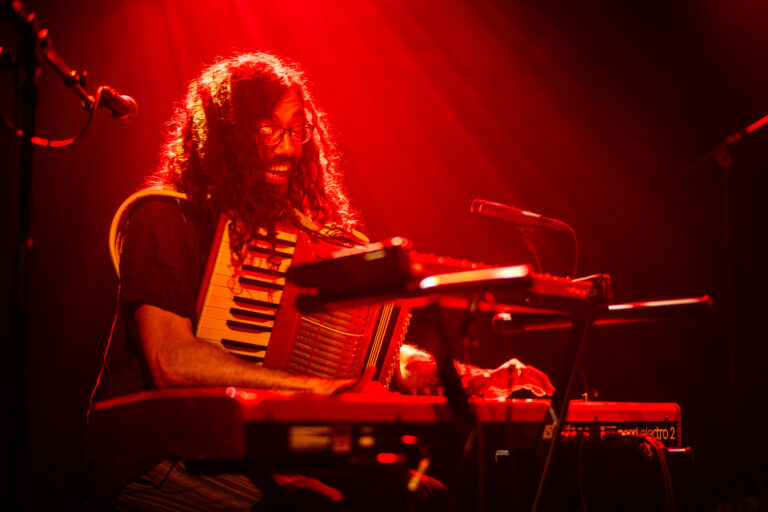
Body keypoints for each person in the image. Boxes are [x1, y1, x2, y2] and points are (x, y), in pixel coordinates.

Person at [85, 52, 554, 511]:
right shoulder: (165, 216)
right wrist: (320, 389)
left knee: (421, 496)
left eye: (296, 130)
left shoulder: (297, 234)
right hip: (159, 458)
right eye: (269, 129)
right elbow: (171, 359)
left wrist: (470, 379)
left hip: (254, 454)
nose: (288, 148)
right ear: (226, 134)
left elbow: (374, 348)